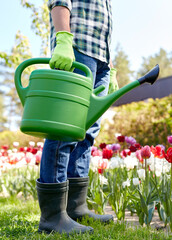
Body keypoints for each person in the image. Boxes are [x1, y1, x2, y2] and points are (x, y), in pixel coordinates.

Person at [36, 0, 116, 235]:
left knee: (87, 132)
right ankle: (52, 218)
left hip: (101, 60)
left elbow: (104, 26)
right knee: (65, 128)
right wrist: (63, 39)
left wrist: (111, 67)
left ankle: (75, 208)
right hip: (77, 49)